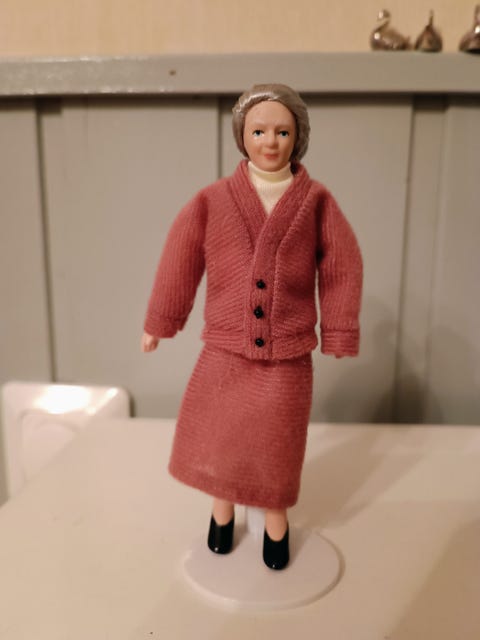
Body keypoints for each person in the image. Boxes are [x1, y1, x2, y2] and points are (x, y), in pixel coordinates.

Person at [142, 84, 363, 570]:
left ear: (298, 138)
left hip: (287, 356)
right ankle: (221, 515)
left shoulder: (316, 201)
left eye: (283, 132)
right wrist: (161, 321)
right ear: (242, 136)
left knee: (277, 447)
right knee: (221, 439)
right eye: (259, 131)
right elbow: (180, 259)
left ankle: (275, 525)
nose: (270, 142)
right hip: (225, 352)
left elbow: (342, 265)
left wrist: (339, 329)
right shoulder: (213, 200)